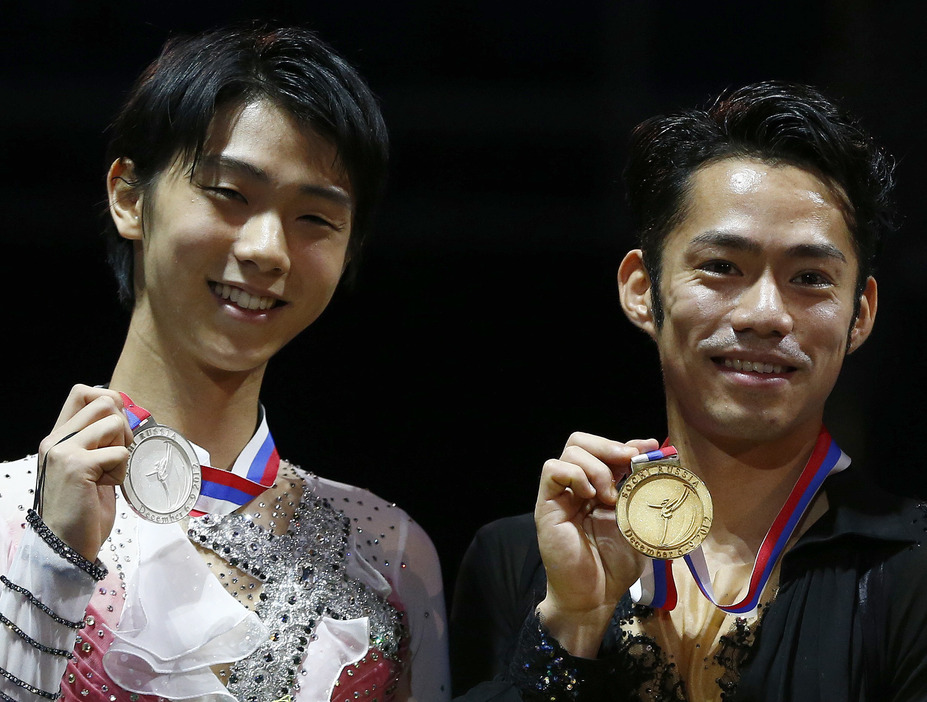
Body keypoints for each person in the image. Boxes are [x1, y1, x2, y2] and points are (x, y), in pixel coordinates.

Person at [0, 23, 450, 702]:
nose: (269, 249)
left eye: (316, 220)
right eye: (229, 194)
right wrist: (51, 561)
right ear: (128, 196)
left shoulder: (391, 554)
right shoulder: (9, 514)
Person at [450, 81, 927, 701]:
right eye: (722, 267)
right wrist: (572, 624)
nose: (766, 314)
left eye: (810, 278)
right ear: (642, 290)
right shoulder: (519, 559)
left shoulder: (912, 569)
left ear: (859, 314)